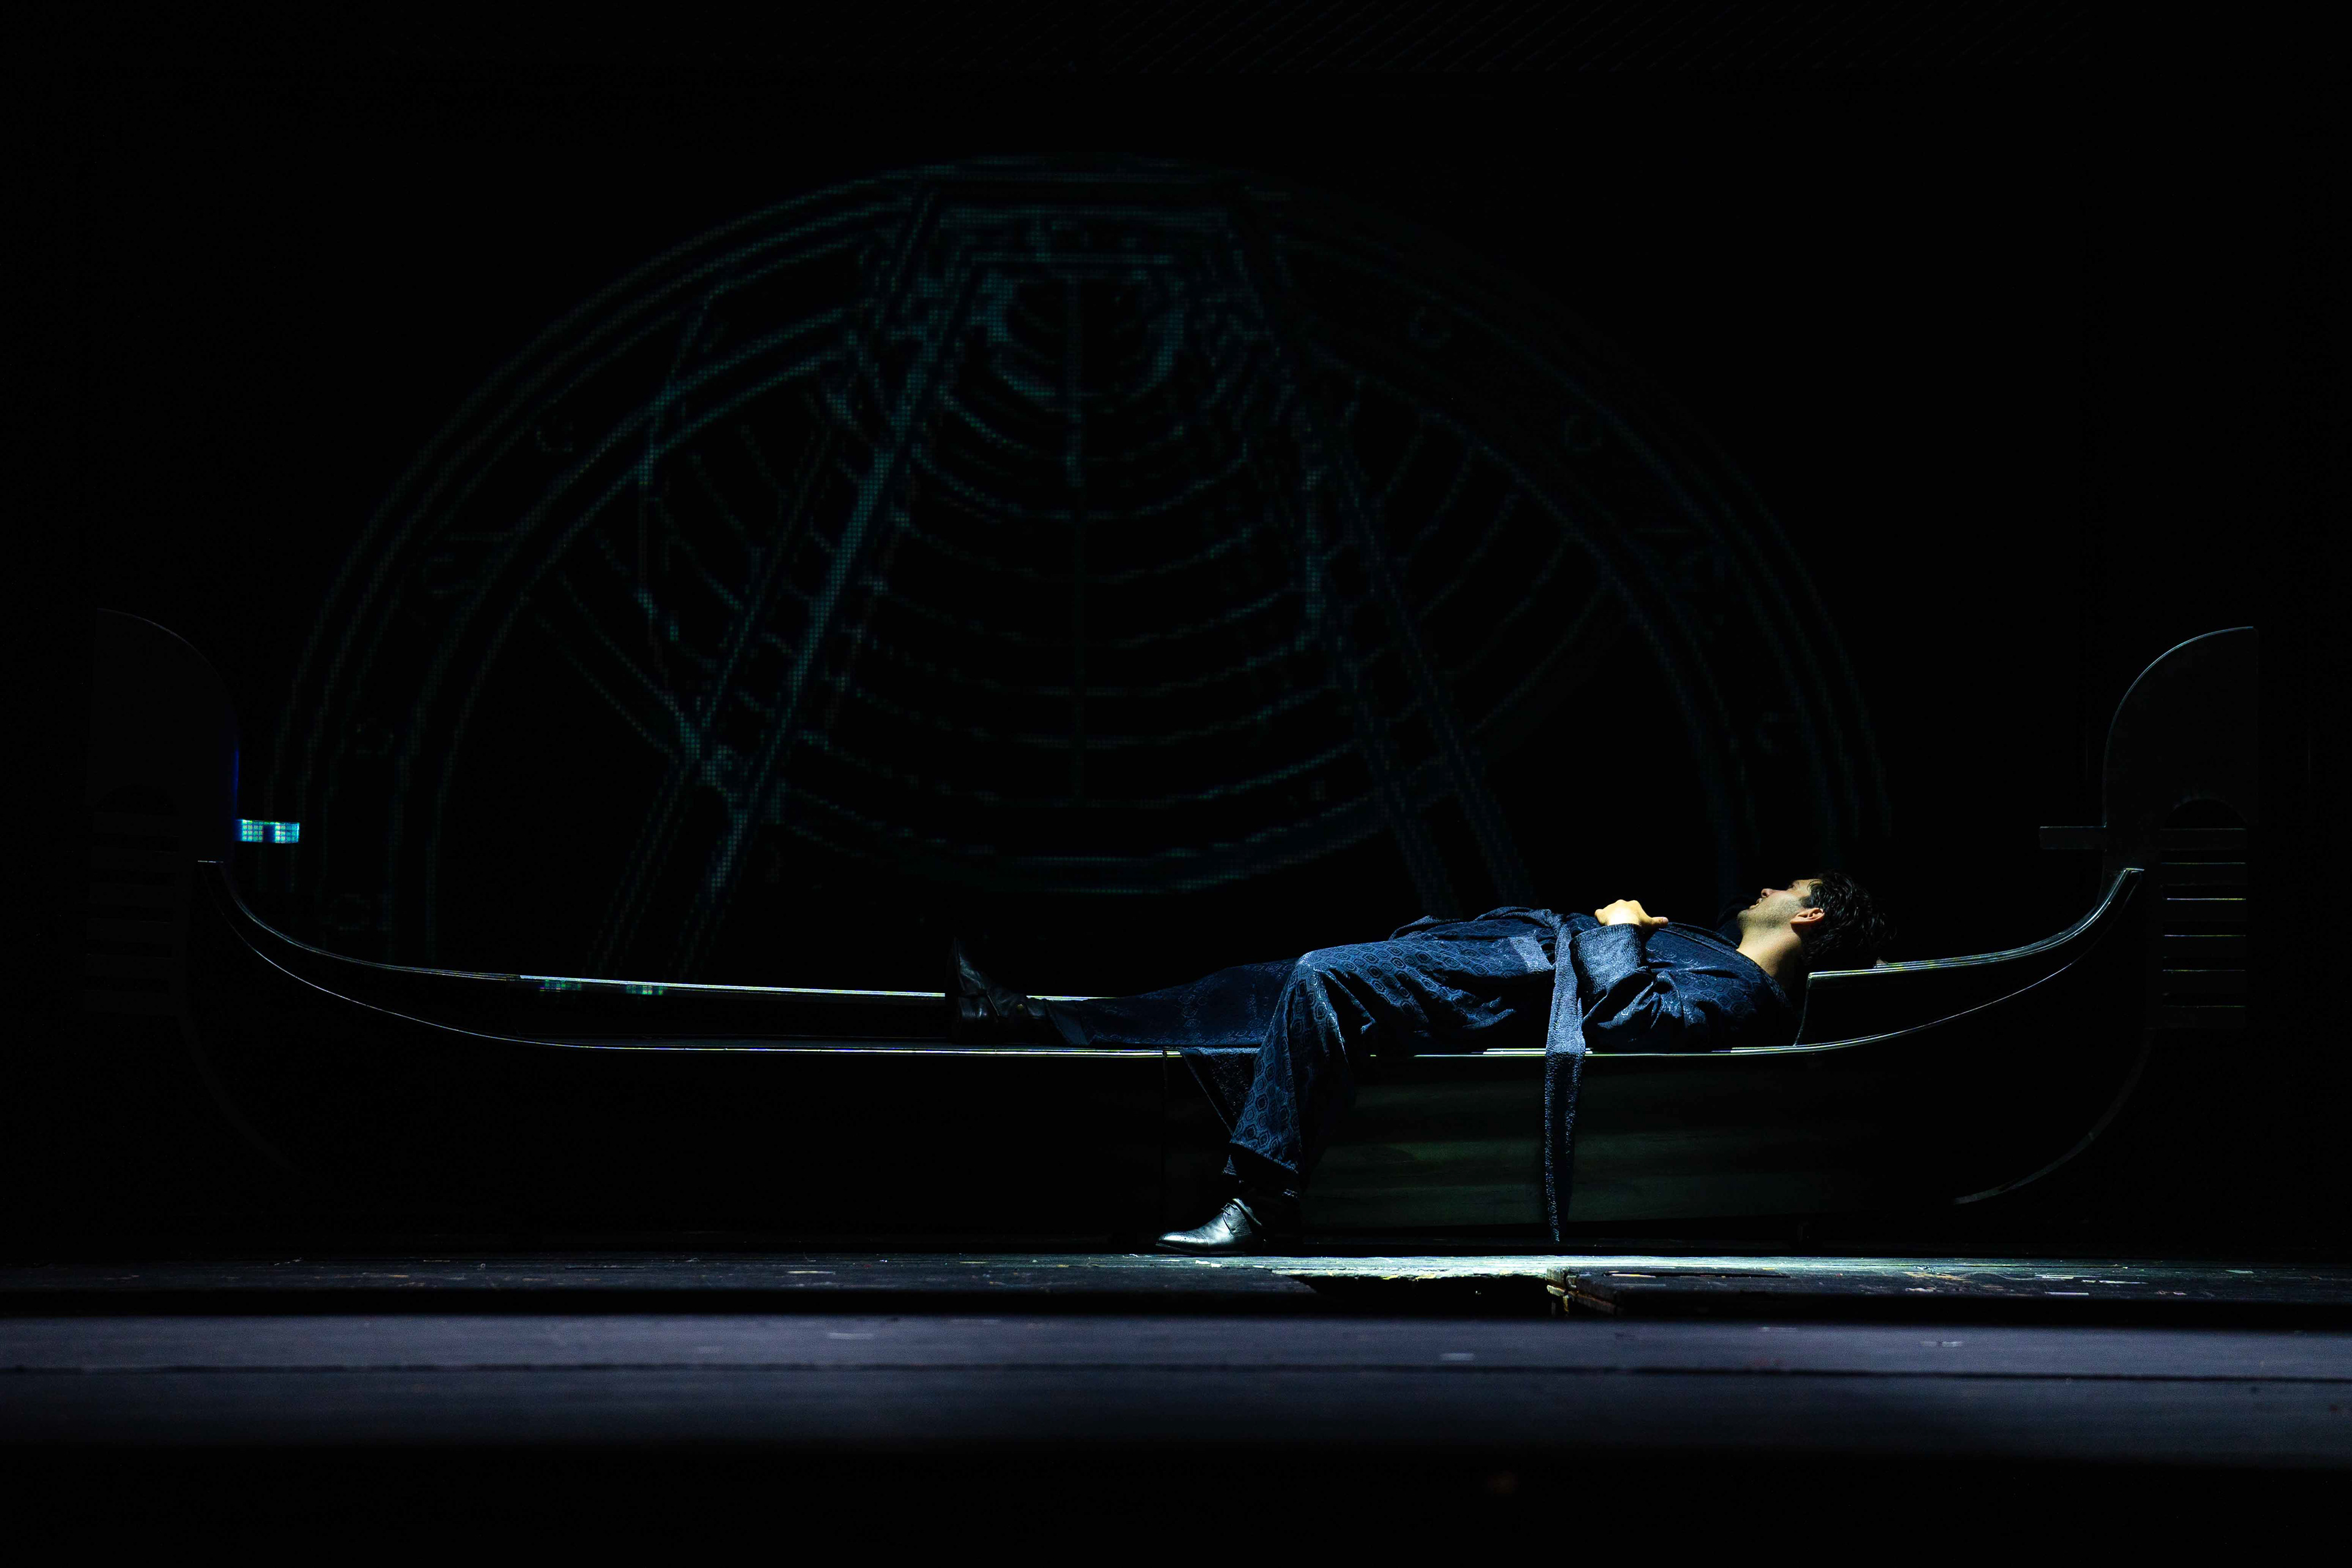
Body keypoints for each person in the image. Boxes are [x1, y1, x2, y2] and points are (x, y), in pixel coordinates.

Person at [955, 874, 1895, 1254]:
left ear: (1809, 914)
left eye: (1788, 885)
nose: (1766, 886)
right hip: (1498, 954)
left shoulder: (1745, 992)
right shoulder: (1717, 957)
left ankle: (1259, 1201)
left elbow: (1635, 1018)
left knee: (1323, 979)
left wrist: (1617, 932)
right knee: (1250, 991)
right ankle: (1037, 1019)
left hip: (1514, 980)